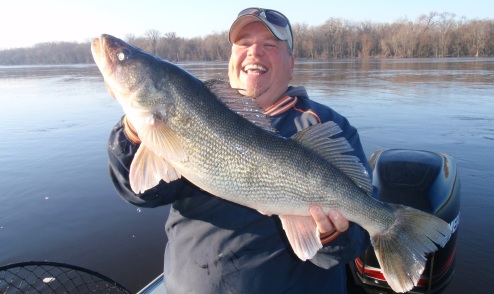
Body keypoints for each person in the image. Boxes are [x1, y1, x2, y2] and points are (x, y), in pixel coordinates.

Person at [108, 7, 373, 293]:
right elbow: (142, 193)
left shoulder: (325, 127)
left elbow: (354, 241)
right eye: (244, 44)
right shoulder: (190, 109)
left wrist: (332, 235)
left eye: (270, 45)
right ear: (232, 58)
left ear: (291, 63)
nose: (254, 52)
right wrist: (136, 130)